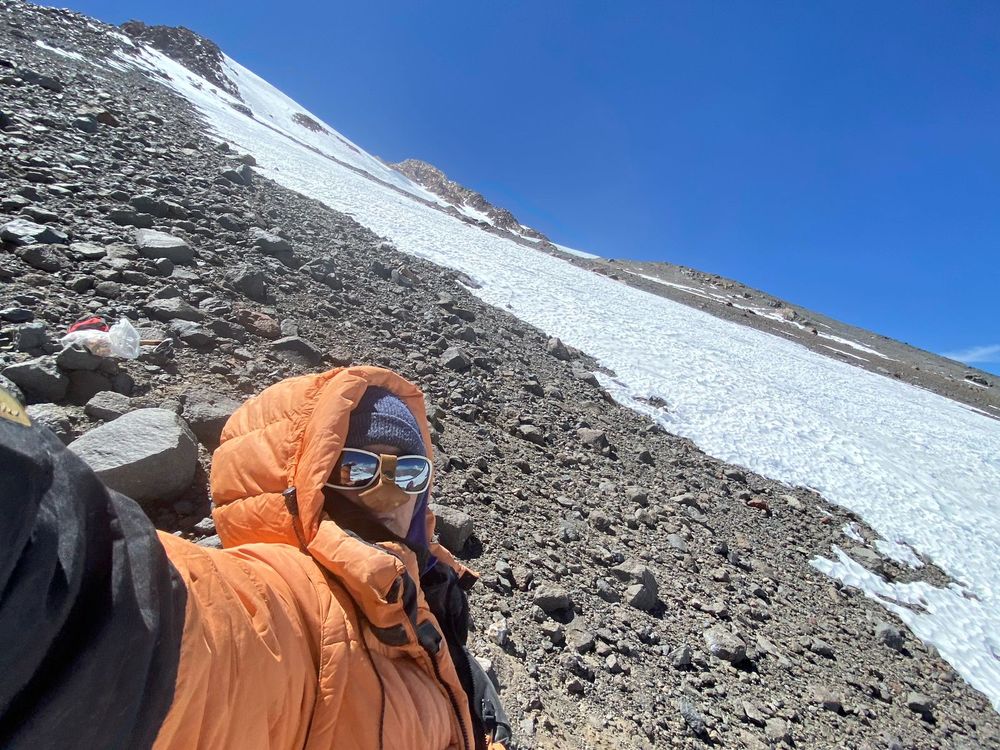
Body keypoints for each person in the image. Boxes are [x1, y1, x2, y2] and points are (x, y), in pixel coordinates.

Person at [0, 365, 510, 750]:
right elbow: (137, 610)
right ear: (302, 483)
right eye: (357, 469)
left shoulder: (412, 593)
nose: (392, 496)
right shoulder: (293, 606)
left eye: (410, 474)